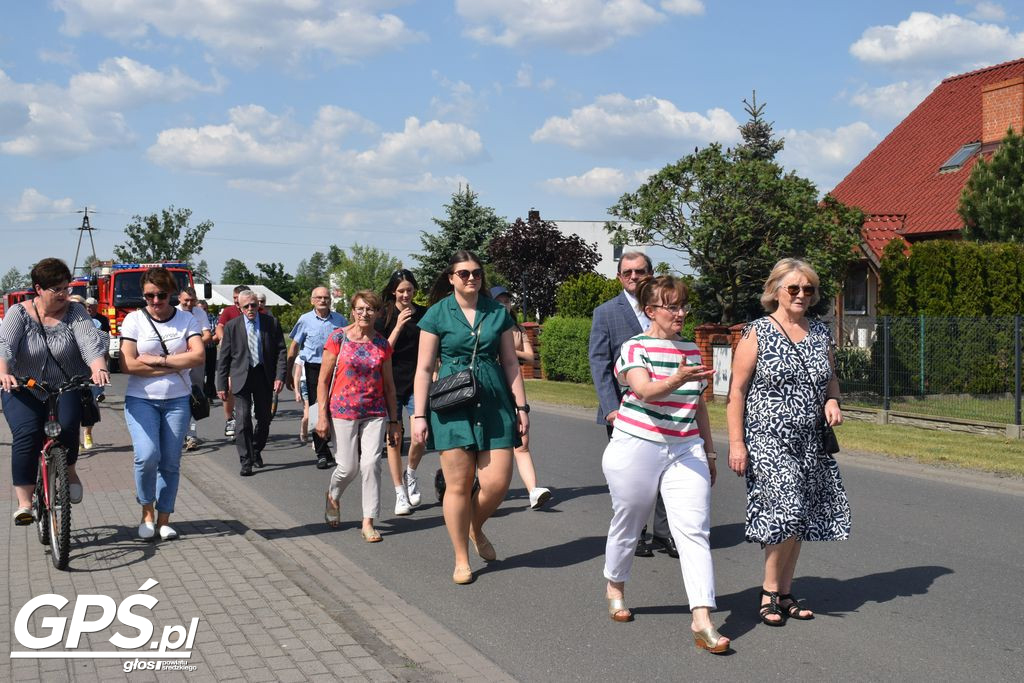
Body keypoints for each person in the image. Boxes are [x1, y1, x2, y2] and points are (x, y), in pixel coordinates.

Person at [601, 275, 728, 653]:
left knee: (694, 530)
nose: (681, 312)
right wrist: (676, 377)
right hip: (637, 444)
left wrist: (709, 450)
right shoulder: (634, 348)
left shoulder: (690, 349)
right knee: (631, 520)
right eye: (672, 306)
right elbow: (643, 390)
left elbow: (698, 403)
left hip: (685, 447)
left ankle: (702, 618)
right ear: (650, 310)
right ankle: (615, 584)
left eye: (683, 305)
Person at [726, 258, 851, 627]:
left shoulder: (820, 333)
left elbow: (830, 379)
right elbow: (736, 392)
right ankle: (768, 592)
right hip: (768, 439)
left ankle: (784, 591)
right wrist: (736, 443)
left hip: (809, 440)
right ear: (775, 290)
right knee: (789, 510)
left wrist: (832, 400)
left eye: (808, 289)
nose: (801, 295)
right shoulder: (757, 332)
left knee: (800, 519)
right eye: (793, 288)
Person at [412, 251, 529, 585]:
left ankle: (475, 527)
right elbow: (423, 369)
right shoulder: (437, 314)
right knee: (458, 486)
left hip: (494, 403)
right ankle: (461, 557)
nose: (471, 278)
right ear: (451, 278)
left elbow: (510, 363)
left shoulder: (497, 312)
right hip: (452, 404)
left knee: (496, 483)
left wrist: (522, 408)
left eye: (476, 273)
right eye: (463, 274)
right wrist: (419, 415)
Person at [0, 258, 108, 525]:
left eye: (66, 288)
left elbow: (88, 341)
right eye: (56, 289)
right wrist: (3, 372)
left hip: (65, 384)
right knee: (27, 435)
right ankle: (25, 503)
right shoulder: (19, 313)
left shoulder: (75, 312)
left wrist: (98, 367)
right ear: (39, 289)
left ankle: (68, 470)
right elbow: (5, 346)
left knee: (69, 426)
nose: (64, 294)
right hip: (24, 387)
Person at [589, 252, 676, 558]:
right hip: (624, 411)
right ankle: (635, 533)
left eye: (640, 271)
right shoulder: (605, 312)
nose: (634, 276)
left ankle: (665, 533)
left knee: (667, 470)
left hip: (666, 407)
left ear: (650, 273)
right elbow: (599, 362)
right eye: (627, 272)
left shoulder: (666, 309)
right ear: (619, 276)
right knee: (632, 475)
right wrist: (610, 407)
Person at [119, 267, 205, 540]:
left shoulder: (186, 320)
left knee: (170, 461)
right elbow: (128, 364)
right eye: (149, 296)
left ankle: (164, 518)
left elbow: (199, 356)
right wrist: (177, 363)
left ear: (171, 294)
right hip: (141, 400)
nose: (156, 302)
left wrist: (156, 360)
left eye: (161, 295)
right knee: (146, 456)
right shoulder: (134, 321)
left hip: (177, 400)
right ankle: (146, 512)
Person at [320, 291, 401, 541]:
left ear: (377, 313)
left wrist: (394, 421)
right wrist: (321, 415)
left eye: (370, 309)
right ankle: (333, 495)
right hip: (343, 411)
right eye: (360, 309)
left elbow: (389, 385)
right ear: (353, 311)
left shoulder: (382, 344)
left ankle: (368, 521)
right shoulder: (338, 338)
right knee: (347, 467)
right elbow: (323, 380)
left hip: (375, 411)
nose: (365, 313)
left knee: (371, 464)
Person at [490, 285, 551, 510]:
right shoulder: (486, 325)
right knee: (490, 444)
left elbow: (531, 357)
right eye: (499, 301)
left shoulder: (518, 329)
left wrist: (507, 351)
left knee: (522, 442)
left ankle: (533, 491)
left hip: (515, 390)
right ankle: (482, 491)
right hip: (490, 390)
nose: (503, 304)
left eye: (506, 301)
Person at [216, 290, 287, 476]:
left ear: (259, 305)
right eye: (246, 306)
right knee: (243, 420)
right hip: (241, 377)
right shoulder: (232, 326)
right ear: (239, 307)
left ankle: (256, 449)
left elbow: (281, 351)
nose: (250, 309)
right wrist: (221, 384)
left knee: (264, 419)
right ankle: (246, 460)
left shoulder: (271, 323)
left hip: (263, 376)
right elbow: (223, 358)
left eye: (253, 305)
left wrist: (280, 376)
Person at [375, 269, 426, 516]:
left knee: (420, 436)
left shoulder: (424, 314)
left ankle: (411, 473)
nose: (406, 294)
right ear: (393, 291)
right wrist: (397, 325)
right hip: (391, 384)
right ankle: (399, 493)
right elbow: (382, 351)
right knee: (393, 440)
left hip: (417, 382)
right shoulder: (383, 316)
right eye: (402, 290)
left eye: (410, 290)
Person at [286, 286, 348, 469]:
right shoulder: (305, 320)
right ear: (312, 300)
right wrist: (289, 372)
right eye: (319, 298)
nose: (323, 300)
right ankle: (321, 452)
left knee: (335, 406)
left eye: (326, 297)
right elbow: (294, 346)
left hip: (336, 367)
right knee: (315, 408)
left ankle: (338, 447)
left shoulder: (339, 320)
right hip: (314, 367)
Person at [177, 287, 213, 451]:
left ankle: (191, 435)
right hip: (178, 360)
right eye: (186, 300)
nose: (189, 303)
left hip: (196, 360)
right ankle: (179, 434)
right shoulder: (173, 312)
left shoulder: (200, 313)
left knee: (194, 396)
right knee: (178, 396)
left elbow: (207, 335)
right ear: (179, 298)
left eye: (192, 300)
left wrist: (195, 347)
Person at [216, 285, 252, 439]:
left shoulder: (254, 309)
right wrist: (224, 339)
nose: (236, 302)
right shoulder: (228, 311)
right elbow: (219, 327)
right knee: (230, 387)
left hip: (251, 357)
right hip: (233, 356)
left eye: (239, 299)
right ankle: (229, 419)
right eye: (234, 299)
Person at [75, 295, 109, 450]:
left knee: (90, 405)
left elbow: (103, 346)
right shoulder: (56, 324)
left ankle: (87, 432)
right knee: (69, 411)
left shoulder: (93, 323)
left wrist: (101, 368)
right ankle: (74, 439)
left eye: (78, 305)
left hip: (89, 372)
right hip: (68, 375)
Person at [196, 299, 218, 400]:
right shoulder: (193, 317)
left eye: (204, 309)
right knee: (200, 372)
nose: (203, 311)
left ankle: (210, 392)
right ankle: (201, 391)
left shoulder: (212, 317)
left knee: (210, 371)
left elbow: (215, 332)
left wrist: (208, 339)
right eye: (200, 309)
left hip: (210, 348)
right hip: (198, 350)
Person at [294, 357, 309, 444]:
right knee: (307, 416)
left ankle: (316, 441)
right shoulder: (301, 357)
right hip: (305, 385)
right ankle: (304, 428)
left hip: (318, 384)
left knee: (317, 414)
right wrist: (297, 392)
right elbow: (297, 375)